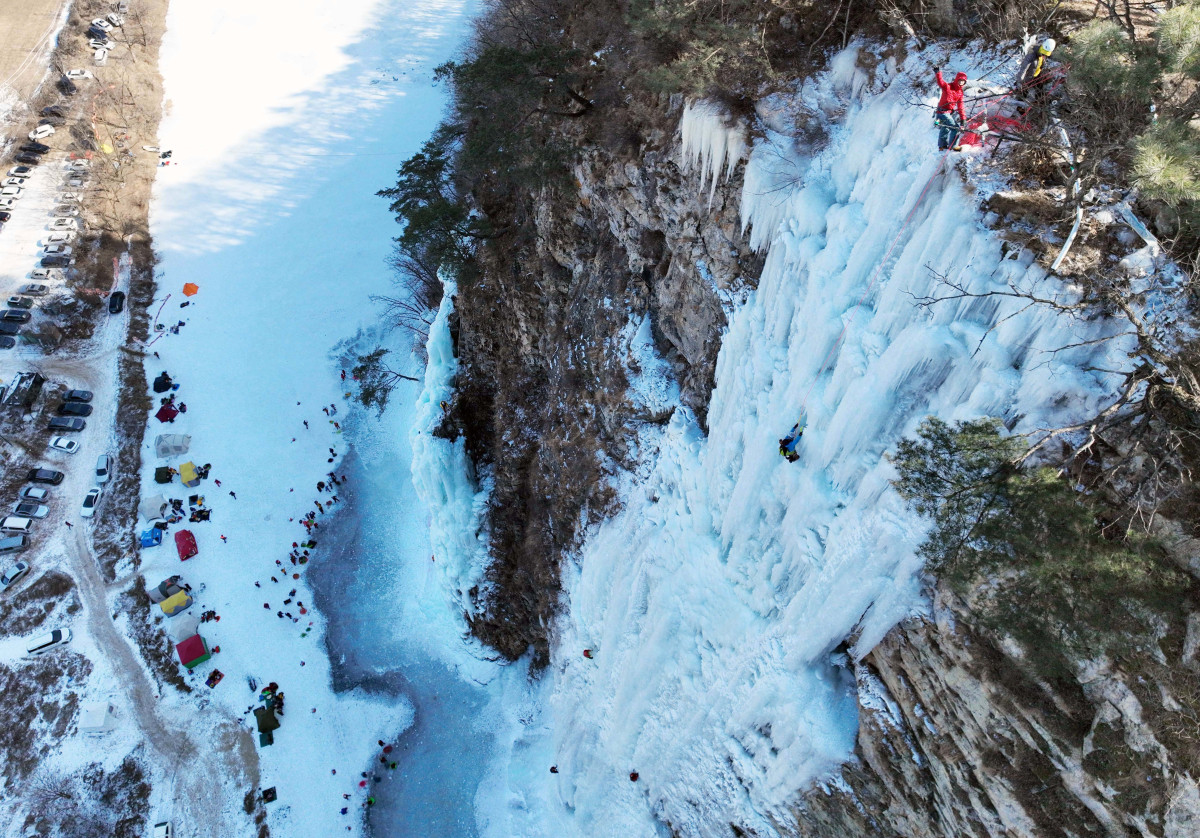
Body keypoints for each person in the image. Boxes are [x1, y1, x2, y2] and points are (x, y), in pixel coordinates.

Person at [933, 67, 968, 151]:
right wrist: (938, 73)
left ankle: (942, 146)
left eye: (963, 81)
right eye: (960, 80)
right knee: (955, 128)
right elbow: (941, 82)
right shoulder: (948, 86)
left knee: (945, 128)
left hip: (948, 113)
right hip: (942, 112)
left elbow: (960, 106)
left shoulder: (960, 92)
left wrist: (963, 119)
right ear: (957, 80)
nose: (961, 83)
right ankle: (953, 146)